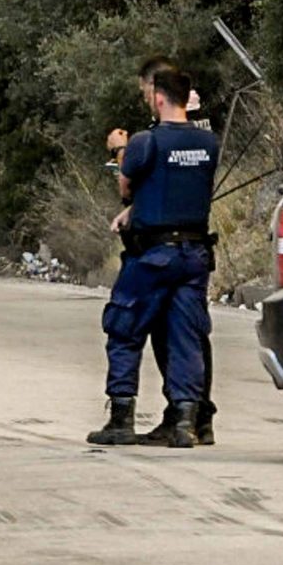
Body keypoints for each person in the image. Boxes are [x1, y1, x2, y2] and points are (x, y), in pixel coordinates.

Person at [88, 64, 218, 449]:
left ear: (159, 97)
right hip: (195, 253)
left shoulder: (146, 142)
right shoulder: (209, 143)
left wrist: (118, 149)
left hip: (153, 254)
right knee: (185, 336)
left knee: (124, 327)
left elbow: (127, 187)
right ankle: (184, 422)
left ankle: (121, 418)